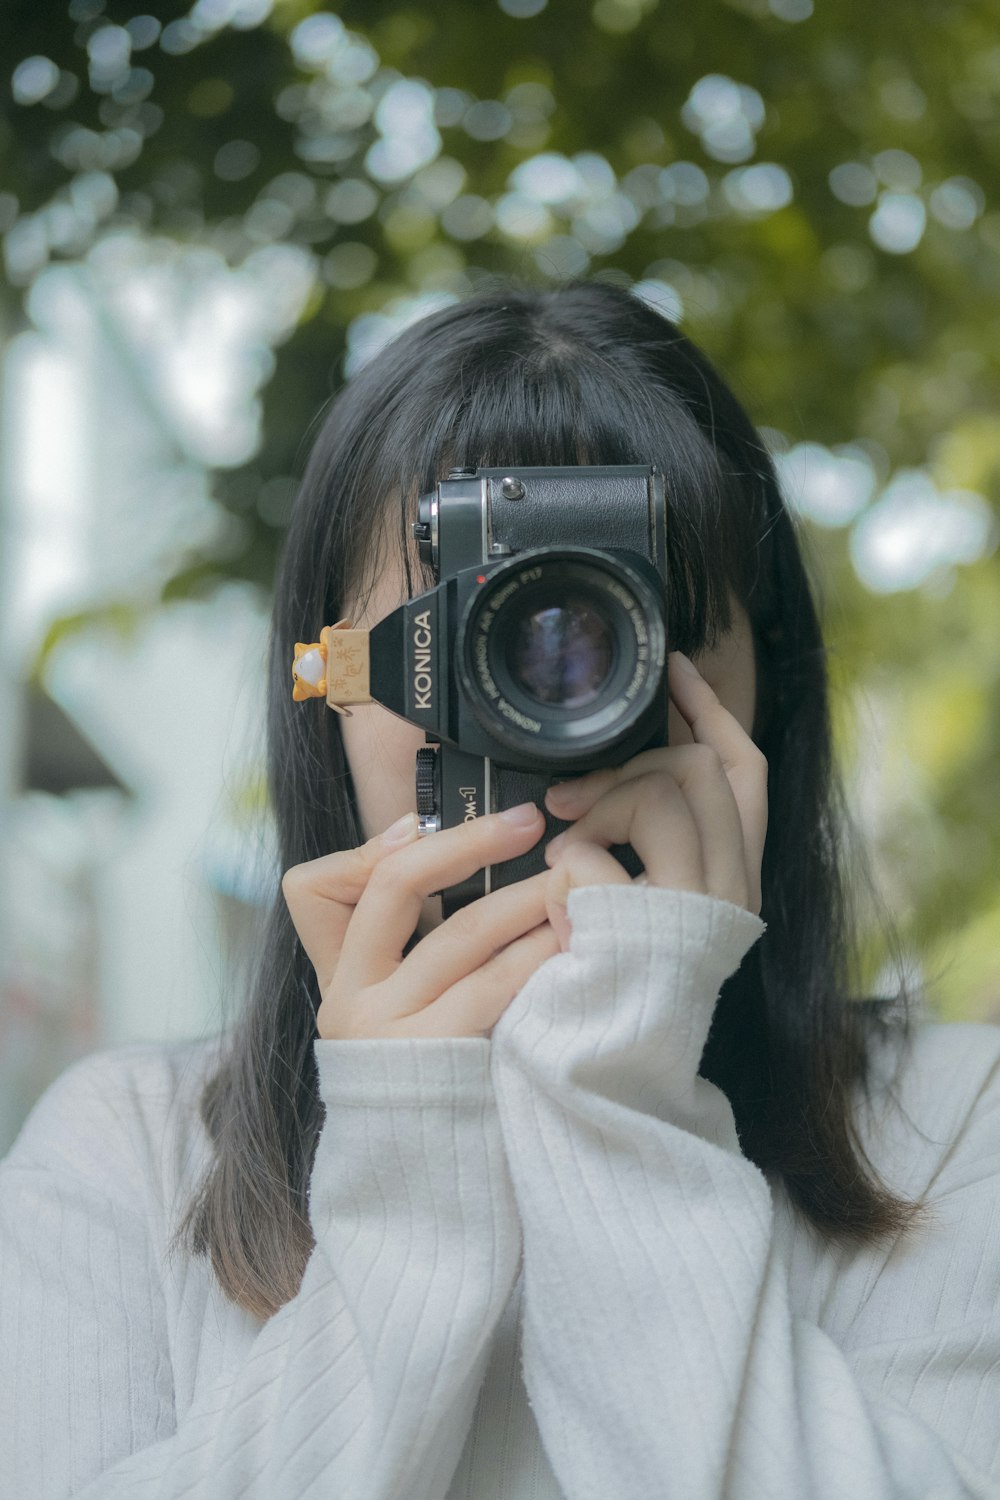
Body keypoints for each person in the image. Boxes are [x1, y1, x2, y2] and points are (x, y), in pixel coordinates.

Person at [1, 279, 998, 1500]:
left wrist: (618, 1090)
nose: (560, 696)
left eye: (622, 625)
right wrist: (411, 1151)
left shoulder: (954, 1125)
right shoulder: (130, 1153)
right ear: (331, 691)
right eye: (471, 624)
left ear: (762, 691)